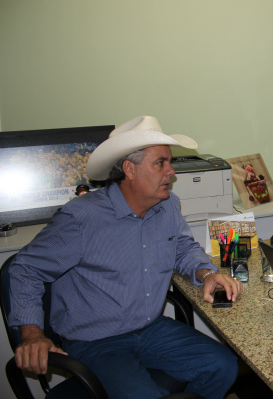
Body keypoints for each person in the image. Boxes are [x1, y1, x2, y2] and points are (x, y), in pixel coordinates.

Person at [8, 116, 242, 399]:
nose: (171, 172)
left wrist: (206, 273)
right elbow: (25, 269)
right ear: (130, 169)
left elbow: (181, 246)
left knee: (223, 366)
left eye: (170, 162)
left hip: (150, 328)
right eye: (160, 163)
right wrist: (32, 334)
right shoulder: (82, 218)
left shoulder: (168, 206)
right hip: (96, 341)